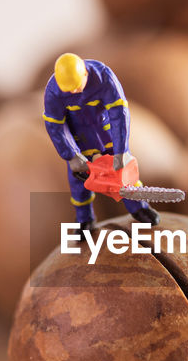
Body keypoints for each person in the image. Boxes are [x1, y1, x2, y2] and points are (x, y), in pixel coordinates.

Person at [42, 53, 160, 233]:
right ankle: (84, 219)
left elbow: (119, 113)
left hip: (108, 137)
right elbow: (56, 127)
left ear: (85, 74)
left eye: (76, 86)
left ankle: (139, 208)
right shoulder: (53, 92)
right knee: (79, 185)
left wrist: (122, 150)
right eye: (68, 89)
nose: (73, 92)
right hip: (80, 143)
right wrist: (72, 155)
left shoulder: (104, 76)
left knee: (124, 176)